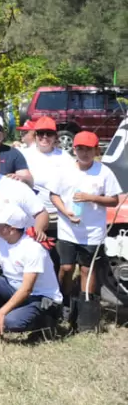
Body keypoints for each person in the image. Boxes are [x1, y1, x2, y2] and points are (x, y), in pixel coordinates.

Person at [49, 131, 121, 318]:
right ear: (74, 150)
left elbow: (113, 200)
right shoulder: (64, 170)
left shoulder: (104, 172)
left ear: (96, 150)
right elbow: (54, 195)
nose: (84, 153)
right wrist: (65, 212)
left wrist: (92, 198)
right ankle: (64, 301)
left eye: (88, 149)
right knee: (66, 268)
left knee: (87, 270)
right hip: (67, 229)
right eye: (80, 149)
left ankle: (86, 308)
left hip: (93, 231)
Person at [0, 204, 63, 338]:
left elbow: (27, 289)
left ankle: (45, 322)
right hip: (13, 287)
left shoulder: (33, 249)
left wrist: (2, 313)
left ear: (11, 229)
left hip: (39, 296)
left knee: (11, 322)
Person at [23, 116, 74, 221]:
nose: (45, 137)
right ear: (35, 135)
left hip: (60, 214)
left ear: (55, 136)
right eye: (41, 133)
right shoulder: (24, 155)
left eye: (49, 133)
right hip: (34, 215)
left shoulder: (65, 157)